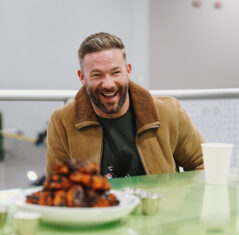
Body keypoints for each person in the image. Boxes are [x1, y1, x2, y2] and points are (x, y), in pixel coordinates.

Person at [46, 32, 205, 179]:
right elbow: (56, 186)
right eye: (97, 75)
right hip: (97, 209)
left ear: (128, 71)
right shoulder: (62, 122)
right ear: (82, 77)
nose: (108, 84)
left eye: (116, 72)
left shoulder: (169, 113)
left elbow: (203, 164)